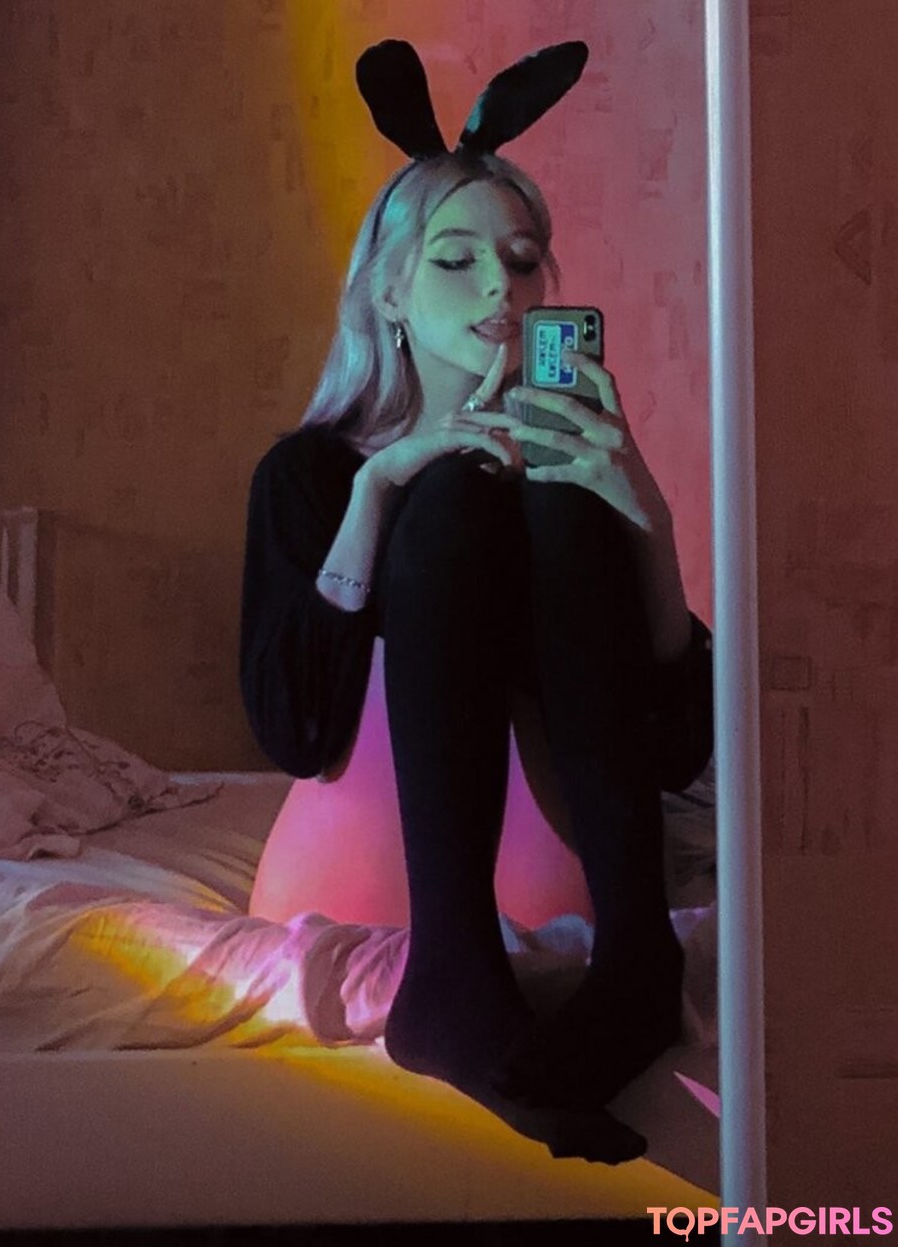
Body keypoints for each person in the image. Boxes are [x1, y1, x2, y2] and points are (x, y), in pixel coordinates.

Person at [239, 40, 713, 1165]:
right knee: (456, 496)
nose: (501, 285)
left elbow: (676, 748)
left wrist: (646, 519)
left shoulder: (576, 476)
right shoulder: (311, 474)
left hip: (573, 875)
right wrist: (380, 489)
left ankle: (635, 958)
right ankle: (452, 972)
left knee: (548, 499)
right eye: (457, 260)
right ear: (389, 293)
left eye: (523, 259)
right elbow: (294, 729)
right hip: (363, 869)